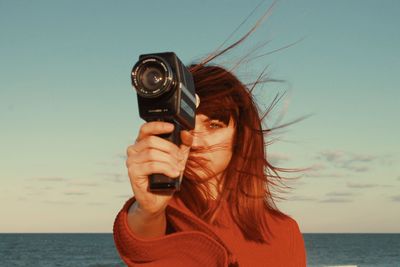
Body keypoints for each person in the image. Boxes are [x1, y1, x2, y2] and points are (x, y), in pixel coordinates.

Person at [113, 62, 307, 266]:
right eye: (186, 124)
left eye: (213, 125)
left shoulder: (284, 232)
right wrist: (148, 211)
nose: (195, 141)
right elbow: (142, 244)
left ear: (240, 136)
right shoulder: (162, 213)